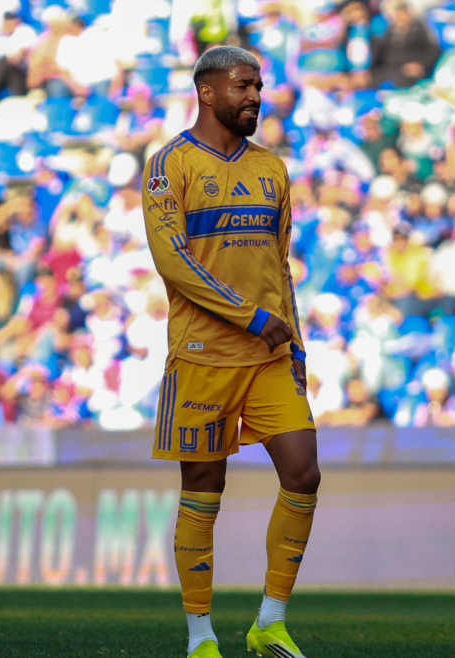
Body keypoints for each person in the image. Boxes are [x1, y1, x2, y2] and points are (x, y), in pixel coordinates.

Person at [142, 46, 319, 658]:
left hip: (272, 355)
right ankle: (200, 637)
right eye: (243, 85)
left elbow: (280, 264)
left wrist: (294, 341)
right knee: (204, 488)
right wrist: (250, 317)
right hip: (203, 354)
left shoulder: (272, 168)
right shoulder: (169, 165)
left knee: (304, 472)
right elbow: (173, 261)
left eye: (259, 87)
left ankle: (270, 622)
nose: (254, 96)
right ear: (208, 91)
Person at [369, 1, 442, 89]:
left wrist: (421, 65)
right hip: (392, 70)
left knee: (404, 81)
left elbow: (434, 50)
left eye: (403, 12)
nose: (401, 16)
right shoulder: (388, 32)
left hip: (412, 71)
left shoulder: (419, 29)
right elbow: (379, 57)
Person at [0, 11, 37, 96]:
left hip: (22, 69)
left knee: (10, 66)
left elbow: (26, 50)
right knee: (3, 63)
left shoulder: (25, 31)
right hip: (5, 71)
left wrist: (16, 55)